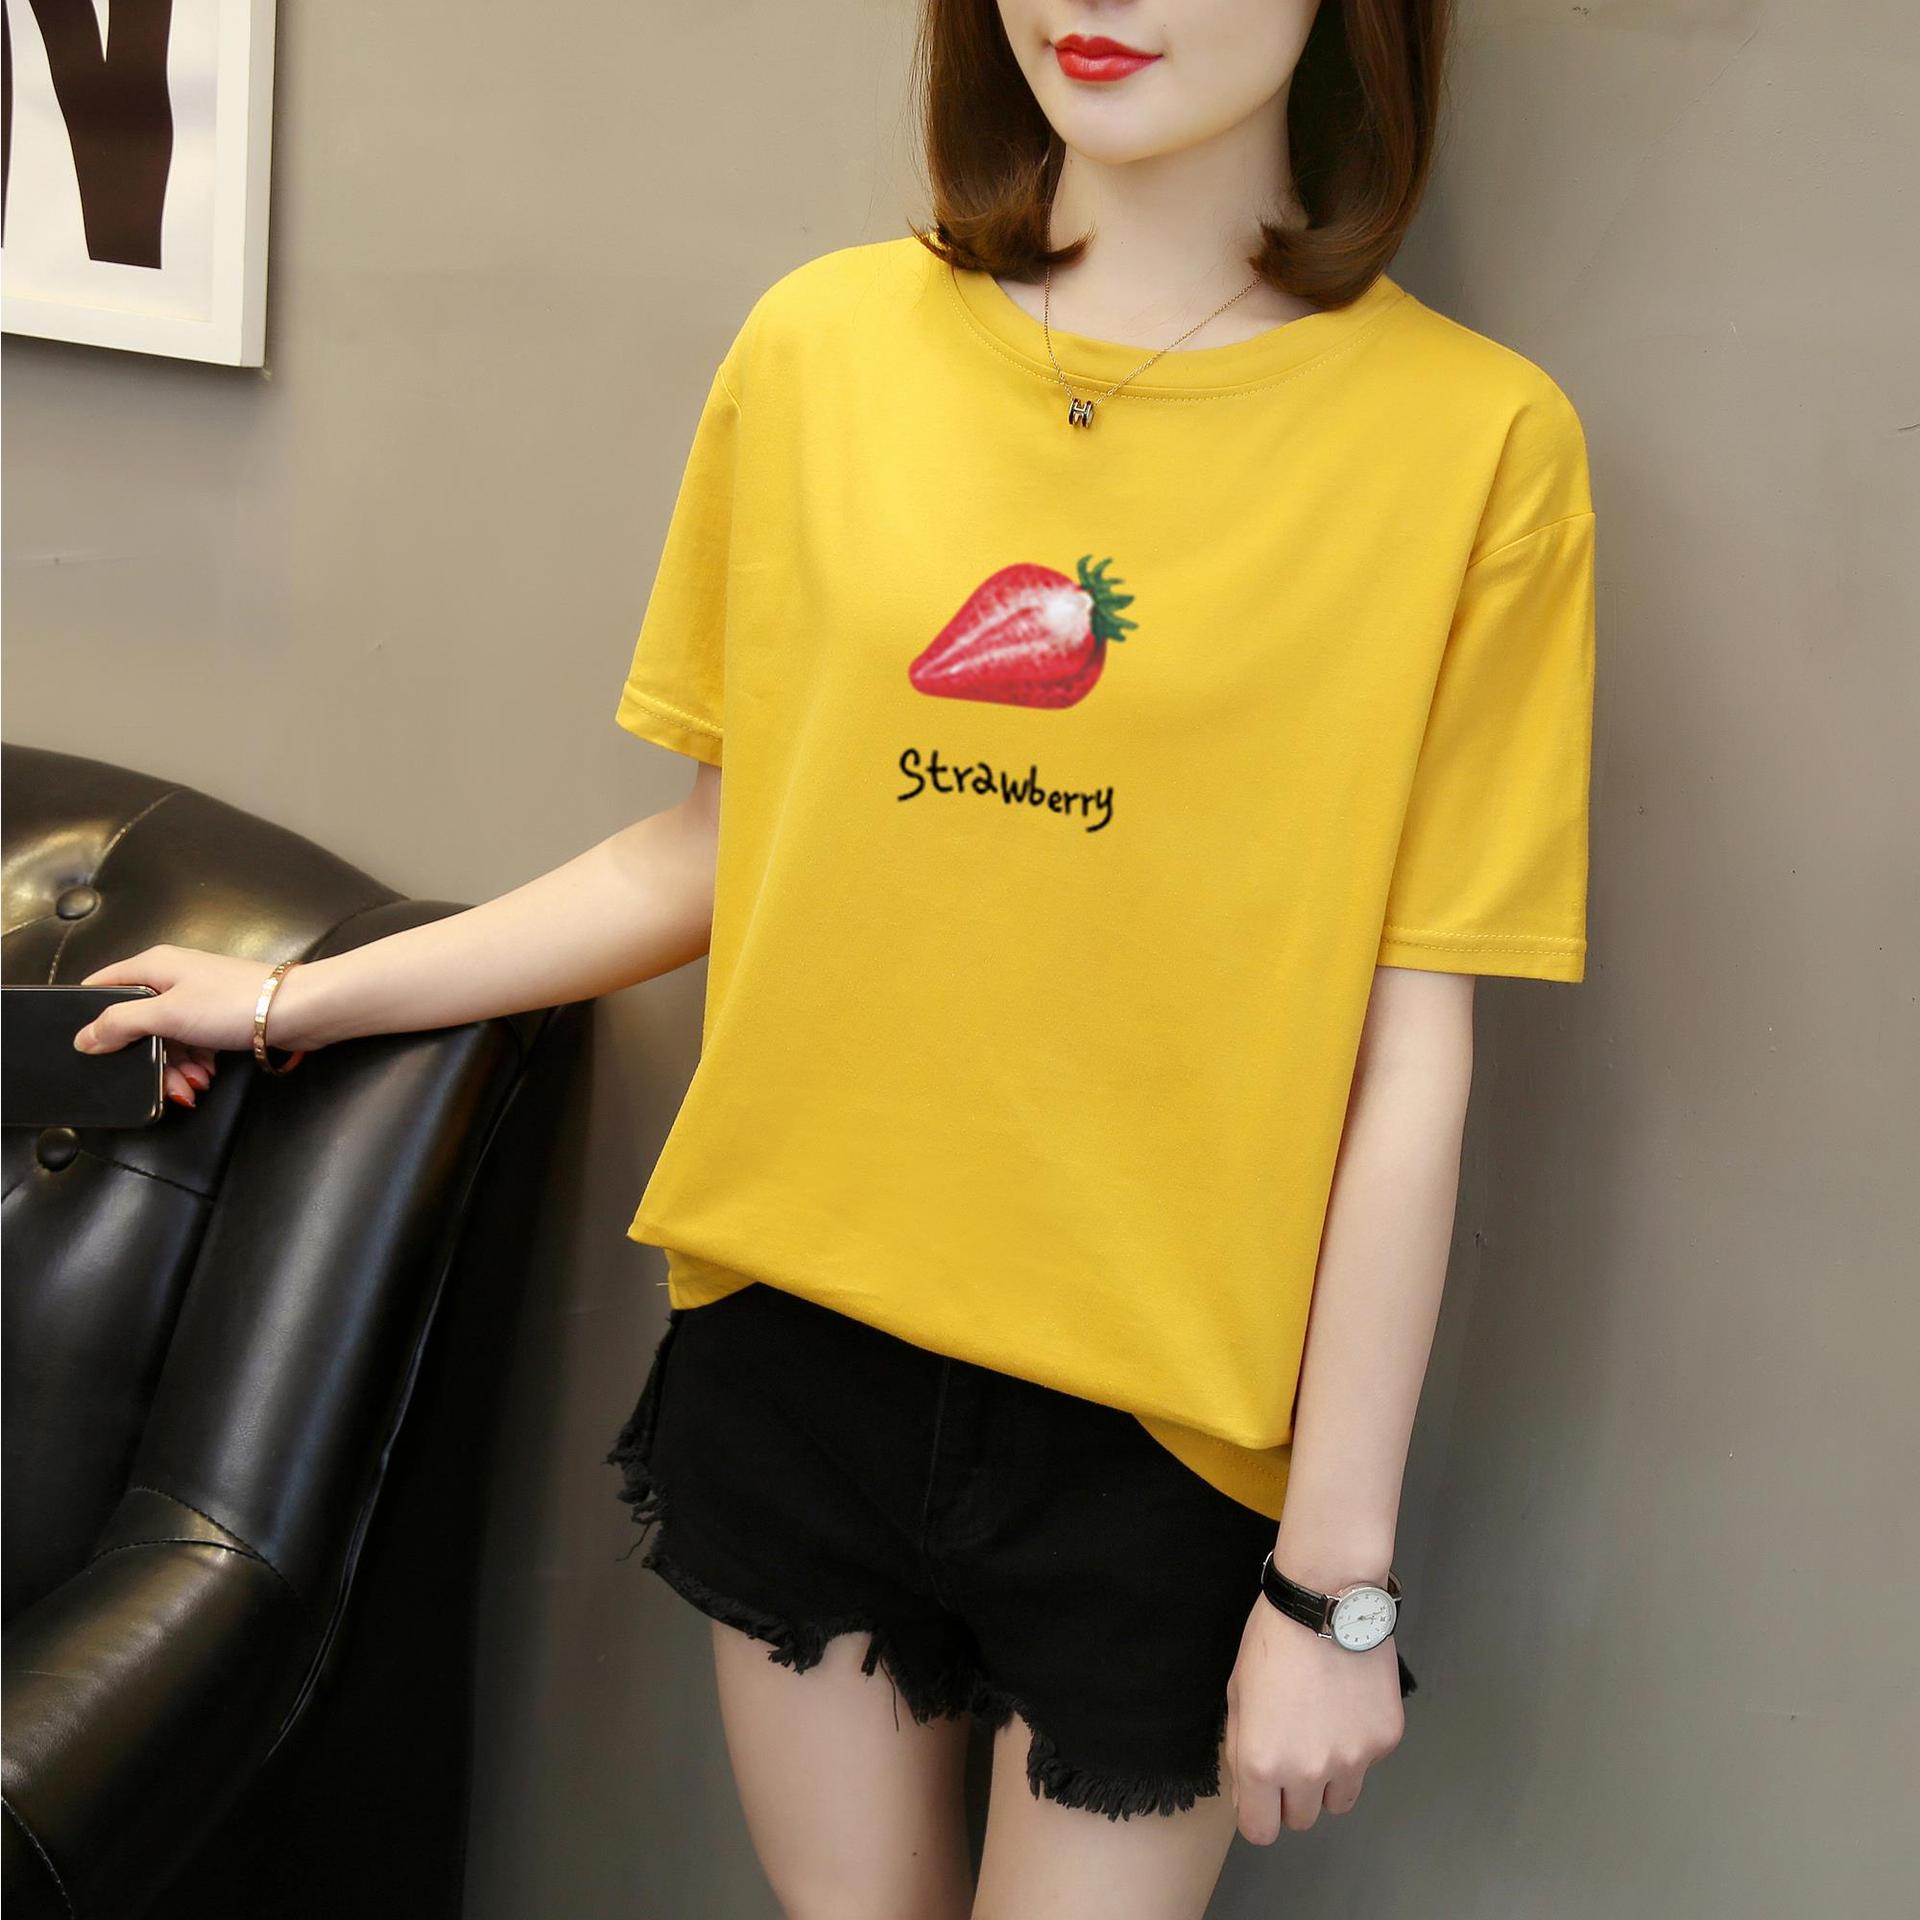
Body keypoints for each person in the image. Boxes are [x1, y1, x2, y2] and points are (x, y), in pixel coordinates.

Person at [70, 2, 1597, 1914]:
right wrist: (297, 996)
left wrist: (1333, 1587)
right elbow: (714, 847)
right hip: (798, 1351)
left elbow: (1411, 1055)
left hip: (1166, 1440)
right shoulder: (822, 347)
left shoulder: (1476, 447)